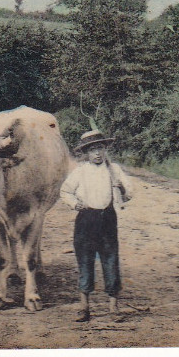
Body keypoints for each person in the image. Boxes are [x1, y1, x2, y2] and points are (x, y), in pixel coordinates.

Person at [60, 129, 134, 323]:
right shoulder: (81, 171)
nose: (97, 154)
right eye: (93, 150)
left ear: (105, 149)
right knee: (85, 262)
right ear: (86, 152)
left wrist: (121, 189)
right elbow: (65, 191)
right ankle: (84, 308)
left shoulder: (114, 169)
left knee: (110, 261)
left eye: (100, 148)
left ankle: (113, 308)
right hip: (86, 220)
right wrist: (75, 204)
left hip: (108, 219)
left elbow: (129, 193)